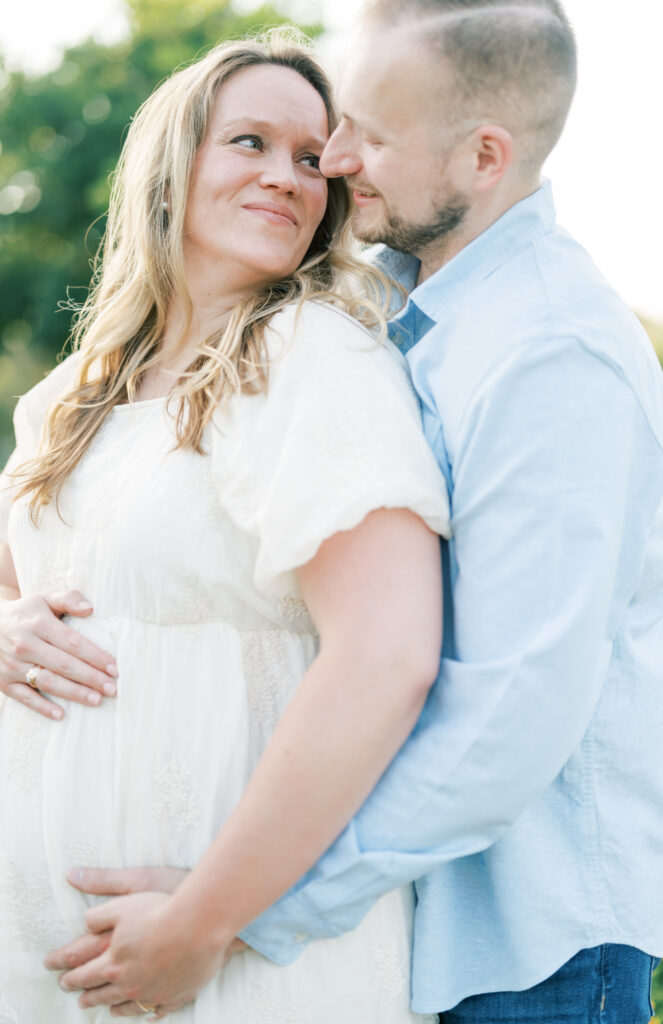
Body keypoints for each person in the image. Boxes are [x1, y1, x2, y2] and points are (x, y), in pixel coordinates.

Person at [40, 1, 663, 1022]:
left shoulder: (554, 353)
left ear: (482, 156)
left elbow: (505, 721)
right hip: (411, 924)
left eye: (366, 133)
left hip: (525, 949)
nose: (330, 160)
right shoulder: (391, 301)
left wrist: (232, 916)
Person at [0, 28, 451, 1023]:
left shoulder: (312, 356)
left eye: (310, 158)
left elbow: (388, 655)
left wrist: (208, 919)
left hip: (231, 964)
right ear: (170, 167)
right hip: (49, 970)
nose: (289, 178)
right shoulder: (70, 398)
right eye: (248, 141)